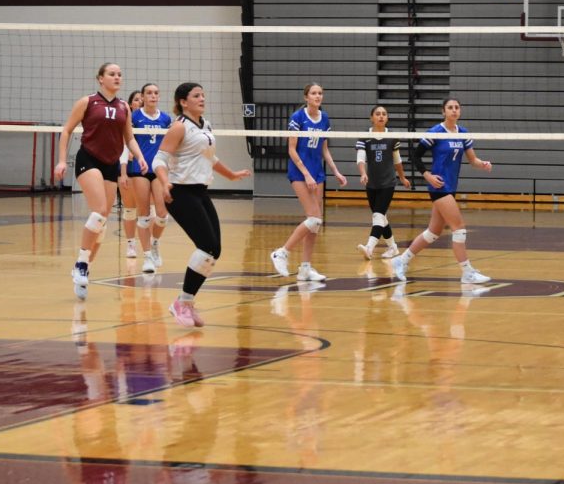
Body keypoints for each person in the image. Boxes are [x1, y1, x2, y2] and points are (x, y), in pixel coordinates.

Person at [152, 82, 251, 327]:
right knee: (206, 246)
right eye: (196, 95)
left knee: (214, 250)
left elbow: (210, 157)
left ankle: (186, 301)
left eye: (203, 95)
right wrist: (164, 183)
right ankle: (181, 303)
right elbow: (159, 159)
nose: (202, 99)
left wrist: (231, 175)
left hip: (200, 192)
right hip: (180, 192)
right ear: (183, 102)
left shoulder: (205, 125)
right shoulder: (179, 127)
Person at [54, 63, 147, 300]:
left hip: (111, 163)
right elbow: (66, 131)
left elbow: (130, 138)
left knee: (102, 225)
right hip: (89, 159)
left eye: (119, 74)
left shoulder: (124, 106)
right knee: (98, 212)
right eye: (112, 74)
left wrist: (140, 156)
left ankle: (83, 267)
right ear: (100, 79)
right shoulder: (87, 102)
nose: (117, 77)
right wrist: (62, 161)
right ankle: (81, 264)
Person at [390, 98, 492, 285]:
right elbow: (415, 155)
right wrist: (427, 175)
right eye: (450, 108)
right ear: (443, 111)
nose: (454, 110)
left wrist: (483, 164)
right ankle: (467, 272)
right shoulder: (435, 132)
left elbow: (472, 160)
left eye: (457, 107)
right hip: (439, 186)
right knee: (459, 228)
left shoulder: (463, 133)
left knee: (433, 232)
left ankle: (400, 260)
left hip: (451, 186)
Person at [270, 83, 347, 282]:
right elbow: (292, 149)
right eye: (313, 93)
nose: (317, 96)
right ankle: (282, 252)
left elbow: (324, 149)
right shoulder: (298, 117)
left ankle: (305, 267)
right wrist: (306, 174)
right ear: (306, 97)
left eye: (320, 93)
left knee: (315, 223)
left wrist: (336, 171)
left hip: (317, 172)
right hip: (299, 171)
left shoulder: (325, 118)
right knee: (313, 218)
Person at [355, 105, 411, 259]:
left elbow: (397, 160)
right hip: (371, 183)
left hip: (388, 182)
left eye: (384, 114)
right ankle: (393, 248)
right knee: (381, 217)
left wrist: (402, 177)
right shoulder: (364, 136)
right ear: (371, 117)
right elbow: (360, 158)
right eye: (378, 114)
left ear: (387, 118)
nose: (381, 116)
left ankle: (369, 247)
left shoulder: (392, 137)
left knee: (378, 215)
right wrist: (363, 173)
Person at [129, 84, 172, 275]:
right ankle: (147, 256)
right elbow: (127, 140)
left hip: (158, 167)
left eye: (156, 93)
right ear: (143, 97)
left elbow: (172, 144)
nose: (153, 96)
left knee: (162, 214)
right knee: (144, 213)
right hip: (139, 168)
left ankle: (155, 244)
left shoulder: (165, 118)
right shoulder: (135, 117)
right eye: (149, 93)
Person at [117, 90, 145, 261]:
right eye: (136, 99)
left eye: (142, 99)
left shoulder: (153, 120)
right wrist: (123, 172)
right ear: (130, 103)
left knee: (148, 210)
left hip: (146, 169)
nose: (140, 102)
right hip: (127, 167)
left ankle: (149, 246)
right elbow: (123, 147)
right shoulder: (126, 121)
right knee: (129, 209)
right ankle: (130, 244)